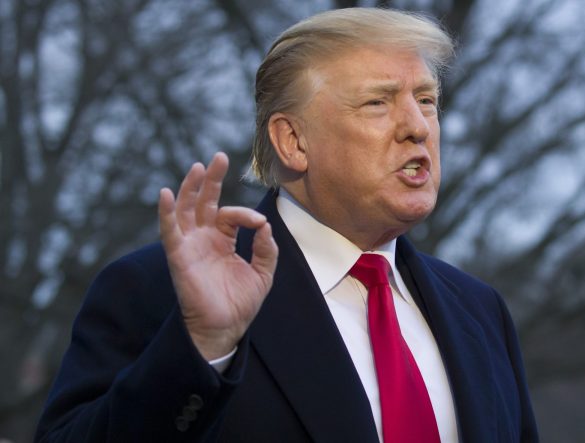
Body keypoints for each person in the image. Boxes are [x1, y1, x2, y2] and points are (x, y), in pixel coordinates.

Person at [35, 7, 538, 443]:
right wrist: (202, 349)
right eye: (377, 102)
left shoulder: (480, 311)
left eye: (426, 99)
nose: (418, 126)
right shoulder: (160, 291)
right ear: (293, 141)